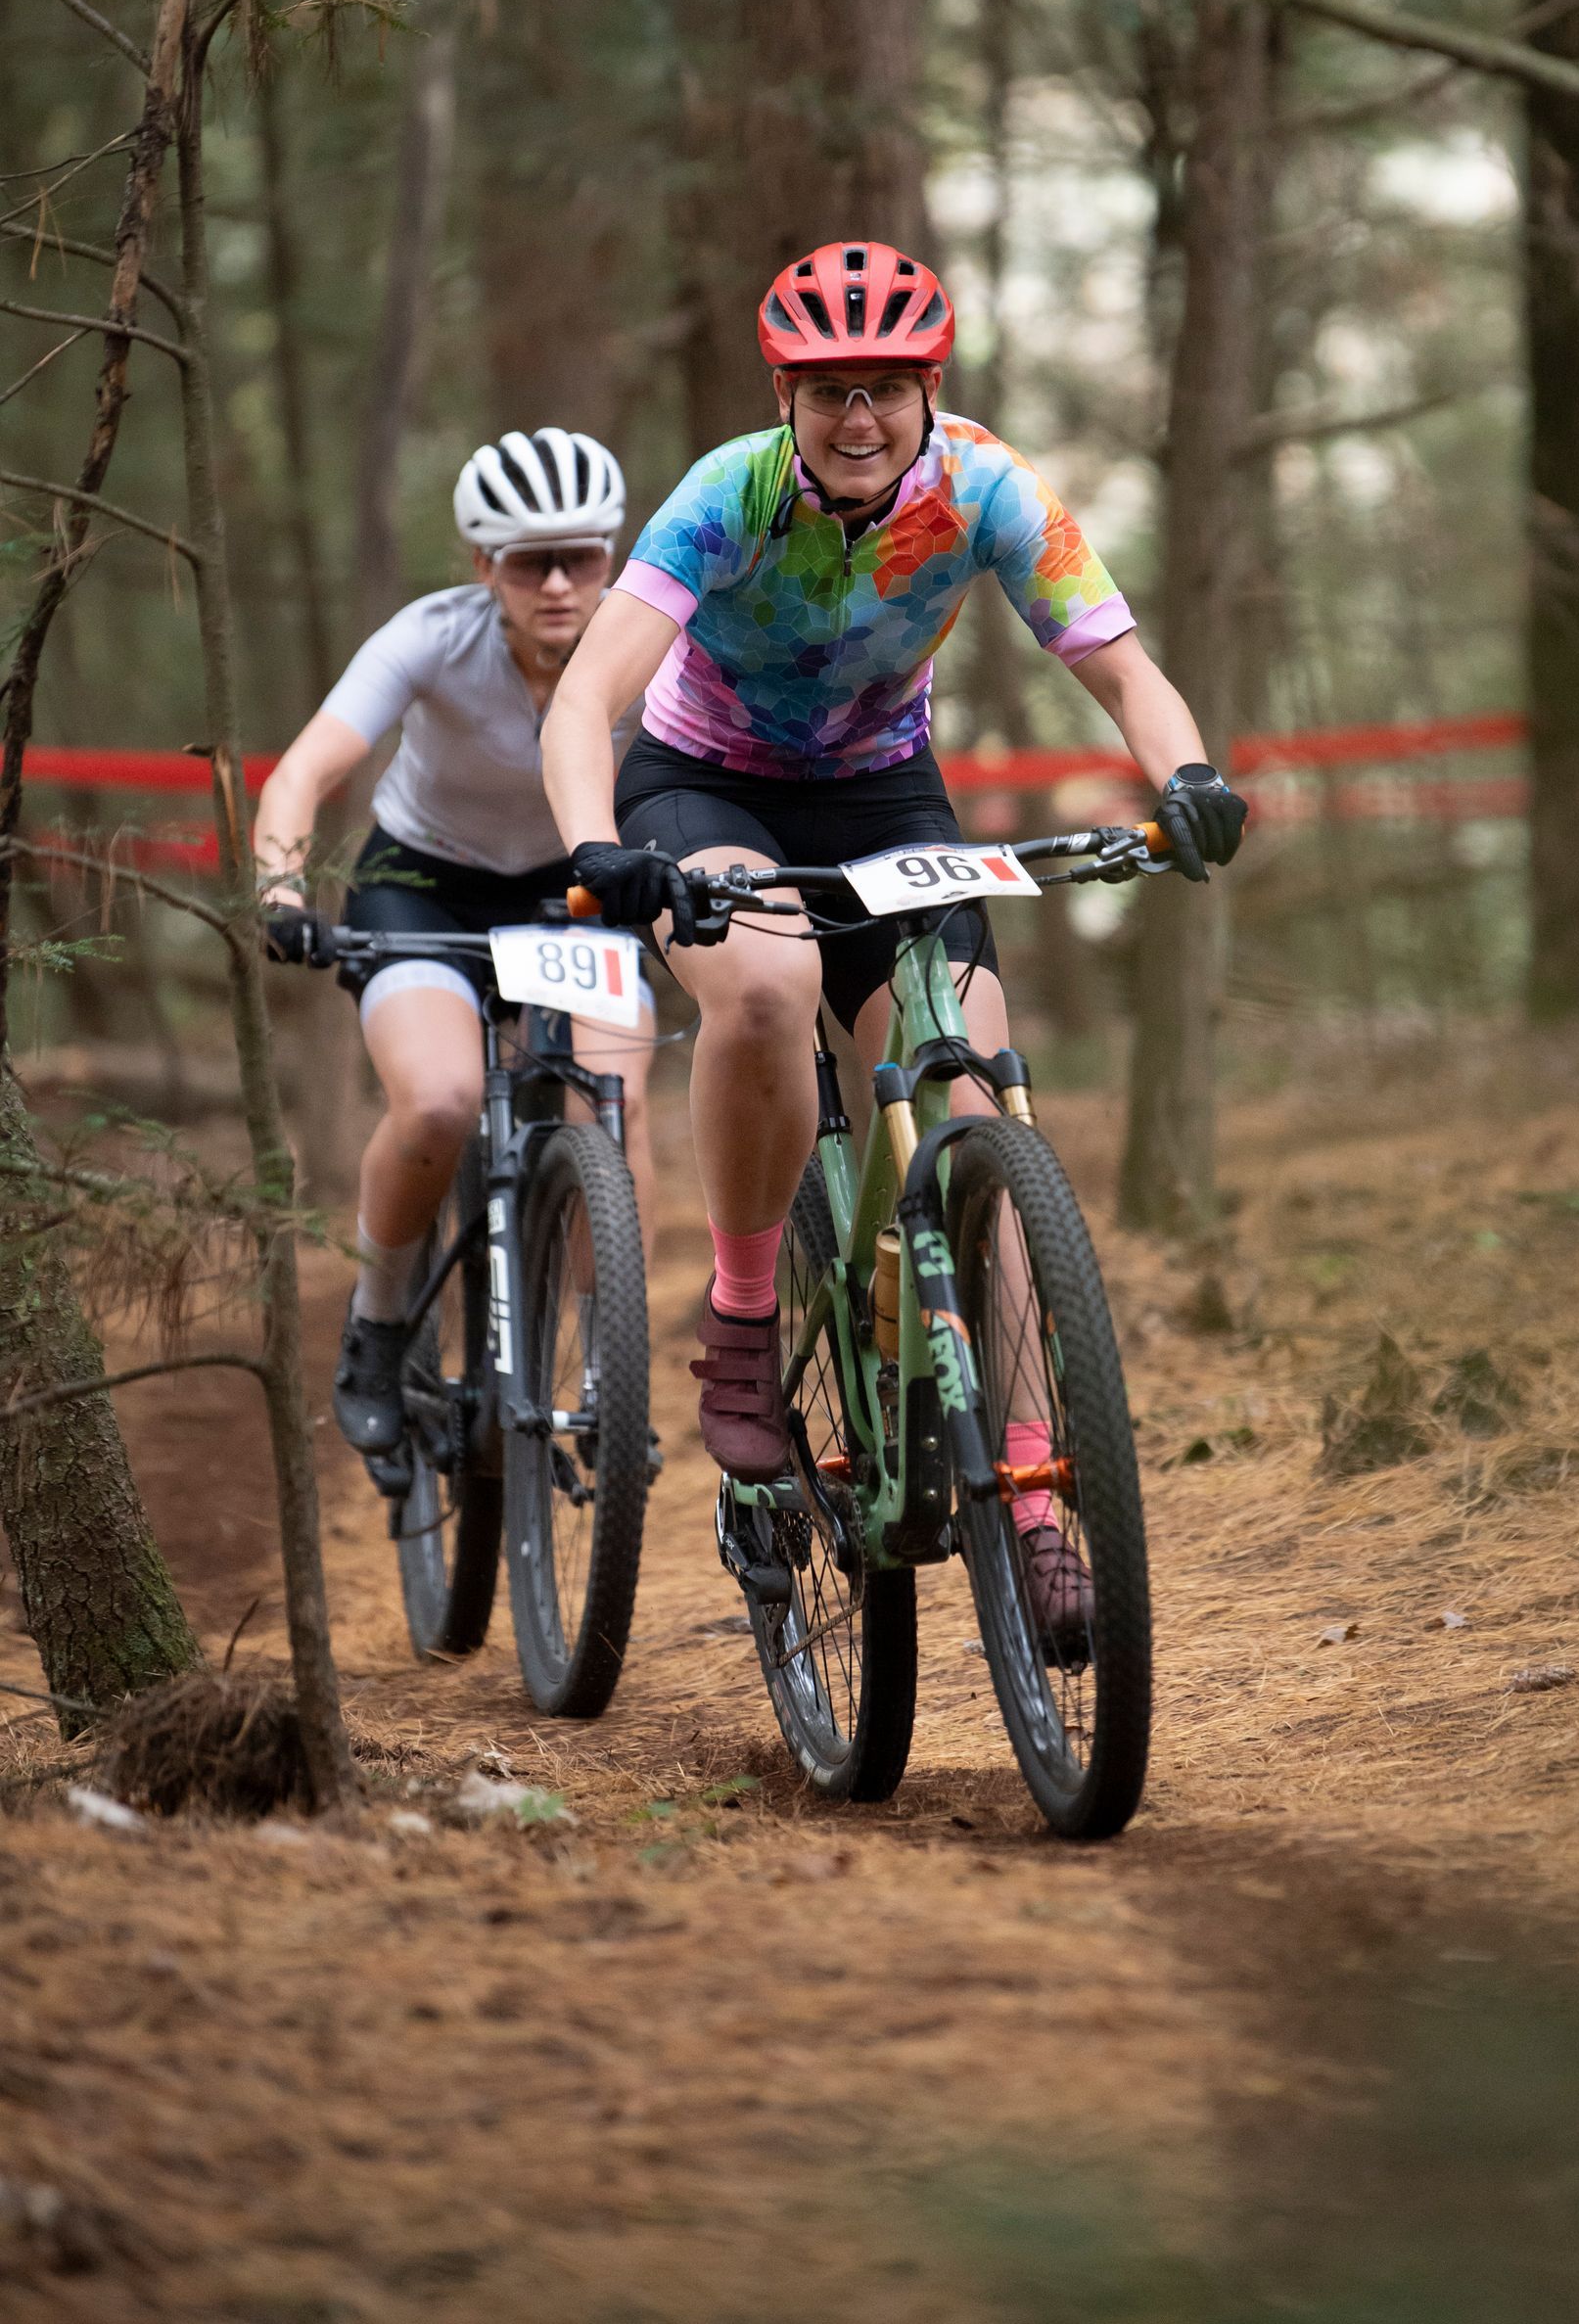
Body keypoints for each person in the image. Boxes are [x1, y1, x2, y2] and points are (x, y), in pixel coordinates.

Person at [540, 241, 1244, 1635]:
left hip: (884, 795)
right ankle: (745, 1321)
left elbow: (1118, 664)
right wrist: (597, 851)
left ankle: (1037, 1502)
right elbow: (583, 702)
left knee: (975, 1095)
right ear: (786, 399)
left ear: (932, 389)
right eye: (828, 393)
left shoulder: (985, 484)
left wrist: (1190, 780)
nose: (858, 420)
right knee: (766, 979)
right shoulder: (726, 495)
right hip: (707, 783)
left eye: (887, 390)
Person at [255, 426, 657, 1492]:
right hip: (421, 888)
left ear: (614, 557)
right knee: (437, 1100)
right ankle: (381, 1325)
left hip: (569, 895)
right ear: (485, 566)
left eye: (584, 555)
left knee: (615, 1103)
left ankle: (614, 1368)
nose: (562, 583)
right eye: (532, 561)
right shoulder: (428, 637)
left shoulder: (651, 648)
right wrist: (282, 893)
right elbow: (301, 775)